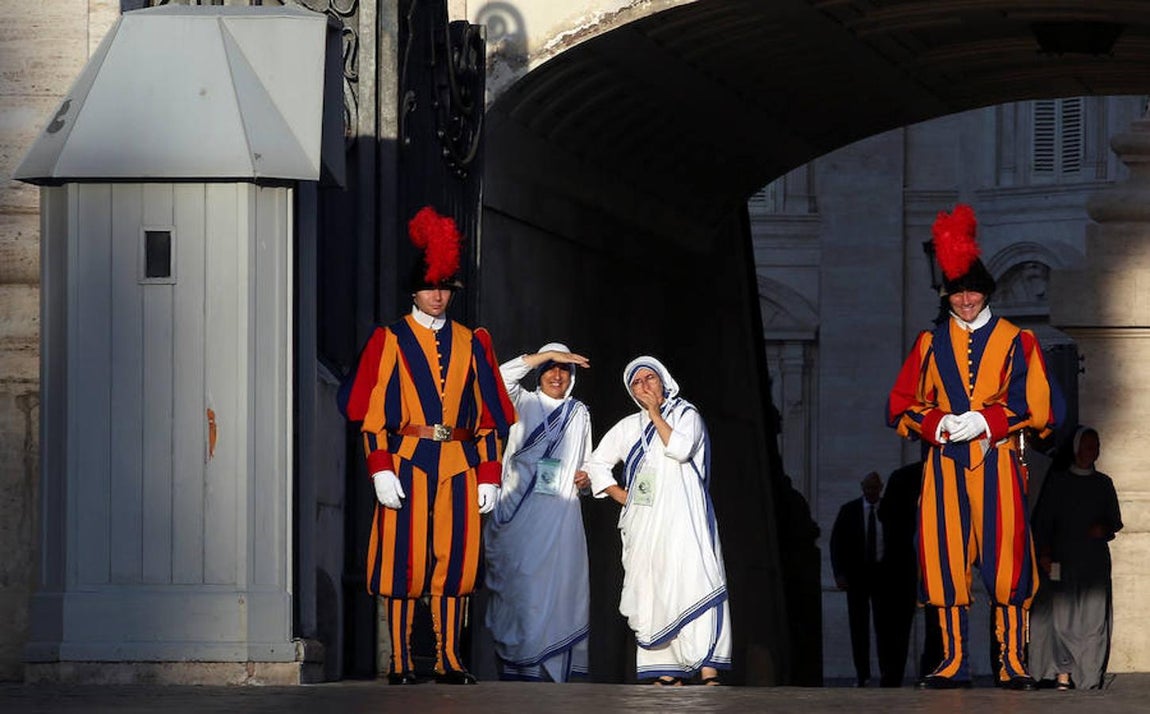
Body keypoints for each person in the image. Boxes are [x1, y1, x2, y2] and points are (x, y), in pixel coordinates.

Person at [886, 203, 1059, 690]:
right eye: (958, 292)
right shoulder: (928, 343)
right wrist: (941, 425)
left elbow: (1040, 405)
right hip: (944, 467)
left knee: (1007, 559)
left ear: (987, 294)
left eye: (973, 292)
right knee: (944, 558)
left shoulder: (1017, 341)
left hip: (999, 460)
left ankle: (1012, 662)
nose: (965, 300)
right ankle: (953, 661)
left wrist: (985, 420)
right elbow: (901, 405)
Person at [341, 206, 515, 685]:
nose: (438, 295)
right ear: (414, 291)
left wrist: (490, 474)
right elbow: (371, 414)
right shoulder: (390, 339)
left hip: (459, 463)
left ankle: (448, 659)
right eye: (430, 287)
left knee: (457, 563)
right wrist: (379, 467)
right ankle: (398, 659)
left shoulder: (473, 341)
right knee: (403, 561)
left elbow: (488, 418)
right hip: (407, 460)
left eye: (444, 287)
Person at [578, 356, 731, 686]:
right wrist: (623, 495)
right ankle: (665, 670)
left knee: (694, 579)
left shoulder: (686, 415)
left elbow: (680, 448)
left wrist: (655, 415)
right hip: (645, 523)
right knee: (652, 586)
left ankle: (707, 669)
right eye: (637, 382)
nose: (644, 385)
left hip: (684, 518)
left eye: (650, 378)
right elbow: (597, 464)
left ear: (664, 381)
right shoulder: (627, 426)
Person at [484, 343, 593, 682]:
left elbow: (587, 463)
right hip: (518, 517)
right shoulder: (524, 402)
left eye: (563, 369)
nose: (557, 374)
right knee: (521, 593)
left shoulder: (579, 413)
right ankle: (520, 667)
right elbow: (499, 377)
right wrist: (544, 356)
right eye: (550, 368)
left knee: (560, 592)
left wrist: (587, 477)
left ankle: (548, 671)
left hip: (560, 521)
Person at [1029, 426, 1123, 690]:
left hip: (1093, 563)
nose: (1093, 451)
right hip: (1061, 561)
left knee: (1093, 622)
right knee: (1061, 620)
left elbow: (1114, 520)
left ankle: (1089, 678)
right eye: (1089, 445)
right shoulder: (1058, 482)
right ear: (1076, 448)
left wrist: (1103, 528)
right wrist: (1045, 553)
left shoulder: (1104, 483)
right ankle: (1063, 673)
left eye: (1097, 446)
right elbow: (1044, 522)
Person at [830, 471, 891, 687]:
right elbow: (836, 543)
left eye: (875, 488)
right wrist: (839, 574)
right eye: (868, 488)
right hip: (857, 578)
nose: (872, 492)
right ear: (862, 488)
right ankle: (862, 674)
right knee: (859, 628)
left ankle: (887, 674)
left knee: (884, 628)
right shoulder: (849, 511)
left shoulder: (889, 510)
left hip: (882, 577)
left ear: (881, 488)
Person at [879, 460, 927, 686]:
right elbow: (885, 515)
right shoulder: (904, 477)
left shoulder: (903, 476)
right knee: (898, 625)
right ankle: (894, 675)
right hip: (904, 562)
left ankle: (899, 675)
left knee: (938, 623)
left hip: (919, 561)